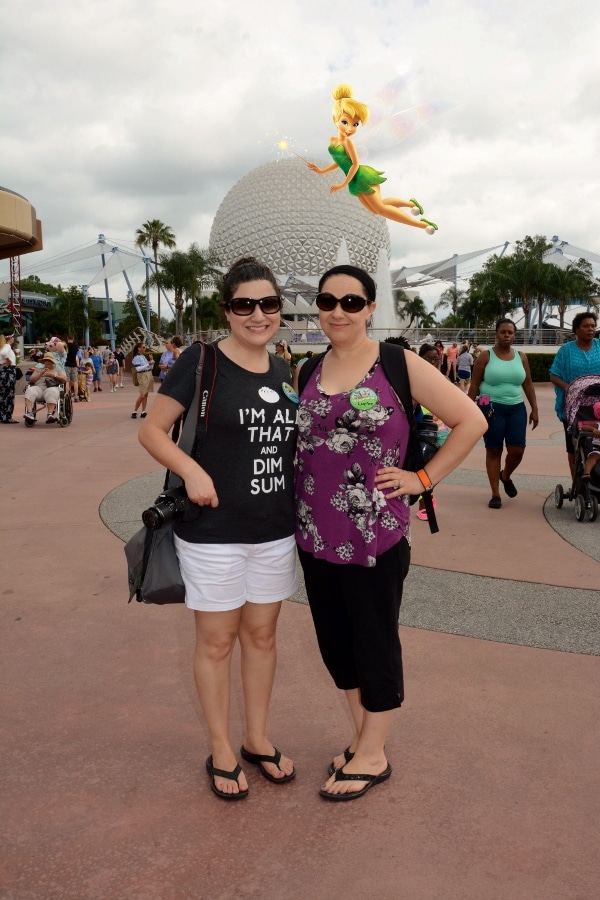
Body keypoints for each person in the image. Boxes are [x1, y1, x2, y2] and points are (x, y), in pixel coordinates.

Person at [294, 264, 486, 801]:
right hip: (313, 533)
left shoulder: (398, 364)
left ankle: (374, 754)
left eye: (352, 302)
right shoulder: (307, 369)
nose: (339, 311)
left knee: (374, 639)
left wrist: (422, 478)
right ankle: (361, 741)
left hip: (374, 534)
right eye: (329, 301)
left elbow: (471, 421)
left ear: (371, 308)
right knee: (336, 644)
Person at [138, 257, 298, 800]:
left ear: (280, 309)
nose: (258, 315)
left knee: (262, 636)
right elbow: (154, 430)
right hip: (212, 530)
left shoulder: (284, 370)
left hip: (274, 529)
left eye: (268, 304)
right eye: (244, 305)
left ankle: (255, 737)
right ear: (227, 310)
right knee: (217, 641)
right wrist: (193, 470)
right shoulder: (201, 361)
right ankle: (222, 748)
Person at [307, 85, 438, 234]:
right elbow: (340, 161)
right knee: (377, 209)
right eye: (345, 122)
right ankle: (410, 204)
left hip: (362, 177)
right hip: (354, 182)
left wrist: (343, 184)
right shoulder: (333, 141)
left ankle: (423, 226)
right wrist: (322, 170)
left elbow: (355, 164)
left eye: (355, 124)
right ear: (336, 119)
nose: (350, 128)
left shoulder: (348, 143)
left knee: (381, 209)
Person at [468, 318, 539, 508]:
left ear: (514, 335)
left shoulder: (521, 356)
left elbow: (528, 384)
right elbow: (474, 384)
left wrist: (535, 409)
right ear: (496, 334)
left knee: (517, 450)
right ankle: (495, 494)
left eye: (510, 332)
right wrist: (468, 409)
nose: (507, 335)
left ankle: (505, 475)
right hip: (490, 406)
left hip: (516, 408)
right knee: (493, 449)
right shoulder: (486, 356)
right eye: (503, 332)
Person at [549, 311, 600, 478]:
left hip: (598, 404)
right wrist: (568, 388)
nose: (590, 329)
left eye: (593, 326)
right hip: (574, 406)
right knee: (574, 445)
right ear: (577, 330)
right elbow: (554, 375)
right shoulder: (566, 351)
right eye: (586, 326)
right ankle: (576, 481)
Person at [23, 352, 67, 423]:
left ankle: (50, 414)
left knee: (51, 391)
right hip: (39, 388)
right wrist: (40, 374)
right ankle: (29, 413)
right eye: (46, 360)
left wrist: (54, 376)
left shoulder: (58, 370)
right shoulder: (39, 370)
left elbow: (65, 379)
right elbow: (31, 380)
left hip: (52, 387)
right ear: (43, 362)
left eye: (49, 360)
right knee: (30, 390)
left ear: (52, 362)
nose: (47, 362)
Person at [130, 343, 154, 419]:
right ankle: (134, 411)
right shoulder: (137, 357)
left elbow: (150, 367)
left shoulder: (143, 356)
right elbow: (138, 369)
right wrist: (148, 364)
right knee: (142, 394)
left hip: (148, 374)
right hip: (142, 375)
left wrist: (151, 361)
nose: (145, 348)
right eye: (143, 347)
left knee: (146, 394)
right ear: (139, 348)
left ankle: (143, 411)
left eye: (145, 347)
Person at [0, 332, 19, 424]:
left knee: (2, 394)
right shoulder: (7, 346)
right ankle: (7, 416)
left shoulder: (2, 346)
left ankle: (2, 415)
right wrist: (9, 361)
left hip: (3, 371)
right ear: (10, 338)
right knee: (9, 394)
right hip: (8, 372)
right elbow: (3, 353)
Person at [580, 401, 600, 481]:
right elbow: (583, 428)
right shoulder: (598, 425)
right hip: (598, 449)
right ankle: (586, 473)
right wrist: (593, 430)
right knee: (593, 457)